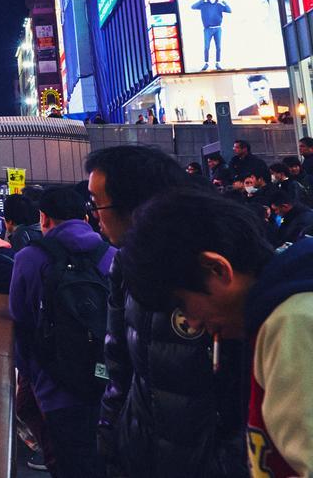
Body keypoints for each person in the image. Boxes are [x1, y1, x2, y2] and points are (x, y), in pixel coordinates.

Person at [119, 193, 313, 477]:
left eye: (182, 306)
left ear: (218, 268)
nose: (193, 324)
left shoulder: (292, 321)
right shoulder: (276, 312)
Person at [84, 146, 247, 478]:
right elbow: (119, 365)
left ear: (134, 206)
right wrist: (112, 436)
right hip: (139, 452)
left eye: (97, 203)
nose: (93, 215)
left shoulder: (211, 272)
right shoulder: (123, 263)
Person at [9, 185, 115, 478]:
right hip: (111, 383)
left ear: (43, 218)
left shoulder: (28, 258)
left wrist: (32, 374)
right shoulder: (113, 255)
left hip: (56, 387)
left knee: (69, 462)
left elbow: (21, 321)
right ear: (85, 216)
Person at [190, 0, 231, 71]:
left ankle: (218, 63)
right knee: (206, 47)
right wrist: (202, 0)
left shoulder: (219, 5)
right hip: (207, 30)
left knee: (218, 47)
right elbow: (192, 7)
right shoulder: (204, 5)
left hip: (218, 29)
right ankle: (206, 63)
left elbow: (229, 10)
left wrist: (224, 2)